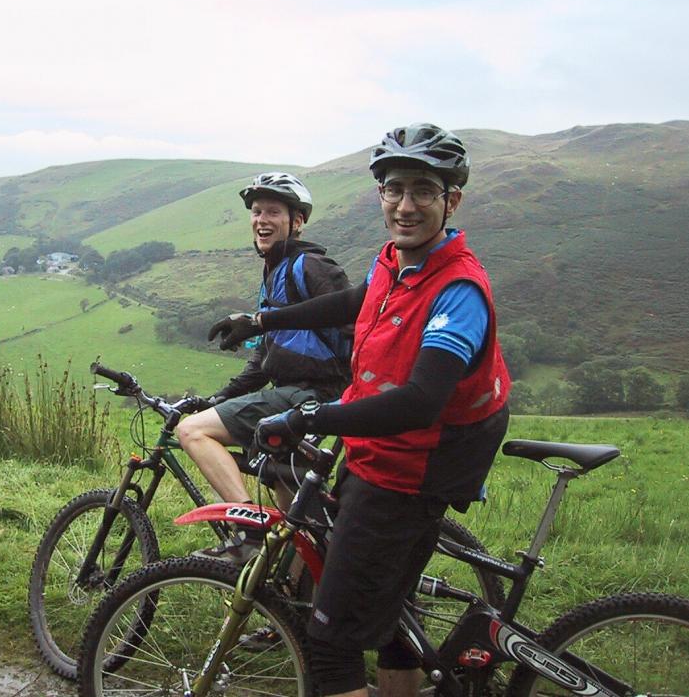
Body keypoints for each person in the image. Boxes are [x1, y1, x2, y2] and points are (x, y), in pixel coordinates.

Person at [209, 124, 511, 697]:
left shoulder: (458, 291)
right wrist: (262, 320)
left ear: (452, 200)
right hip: (387, 453)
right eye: (394, 189)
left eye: (424, 191)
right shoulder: (396, 261)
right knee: (390, 612)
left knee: (329, 642)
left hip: (413, 467)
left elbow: (421, 402)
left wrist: (308, 418)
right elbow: (355, 300)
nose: (405, 205)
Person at [177, 171, 352, 563]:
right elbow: (266, 358)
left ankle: (249, 530)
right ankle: (299, 589)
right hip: (295, 393)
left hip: (311, 395)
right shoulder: (275, 272)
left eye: (273, 210)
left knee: (192, 431)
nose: (261, 219)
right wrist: (222, 396)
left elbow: (355, 321)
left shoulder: (311, 266)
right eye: (256, 211)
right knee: (290, 499)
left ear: (298, 221)